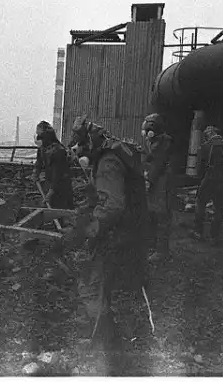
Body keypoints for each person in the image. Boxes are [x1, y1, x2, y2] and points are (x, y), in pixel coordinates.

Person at [63, 115, 149, 345]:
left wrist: (88, 231)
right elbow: (97, 194)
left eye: (80, 149)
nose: (79, 154)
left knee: (94, 280)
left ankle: (107, 336)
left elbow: (112, 206)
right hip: (132, 227)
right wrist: (82, 214)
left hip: (123, 232)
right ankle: (111, 330)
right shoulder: (108, 154)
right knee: (112, 282)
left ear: (88, 144)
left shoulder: (107, 164)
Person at [141, 113, 174, 259]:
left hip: (162, 181)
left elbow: (159, 163)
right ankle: (152, 245)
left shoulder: (164, 142)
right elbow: (150, 157)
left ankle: (161, 251)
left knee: (162, 215)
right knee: (151, 212)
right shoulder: (154, 141)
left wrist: (149, 179)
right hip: (156, 179)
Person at [30, 121, 74, 210]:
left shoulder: (58, 151)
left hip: (62, 184)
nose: (37, 138)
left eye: (39, 136)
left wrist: (51, 192)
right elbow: (39, 162)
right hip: (49, 180)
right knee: (49, 204)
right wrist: (35, 173)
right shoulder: (42, 148)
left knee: (61, 208)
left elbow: (57, 174)